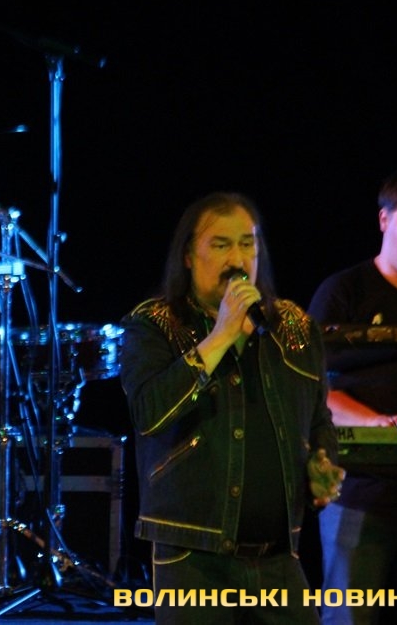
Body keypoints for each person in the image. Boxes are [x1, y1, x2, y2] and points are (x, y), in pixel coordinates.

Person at [118, 191, 344, 624]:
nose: (237, 259)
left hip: (278, 556)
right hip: (193, 557)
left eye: (247, 244)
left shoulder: (294, 327)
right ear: (188, 256)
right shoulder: (154, 324)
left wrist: (322, 460)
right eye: (221, 245)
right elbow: (150, 413)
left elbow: (319, 418)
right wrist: (221, 335)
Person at [308, 164, 397, 625]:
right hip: (360, 492)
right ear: (384, 219)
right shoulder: (344, 293)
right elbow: (311, 389)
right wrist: (374, 423)